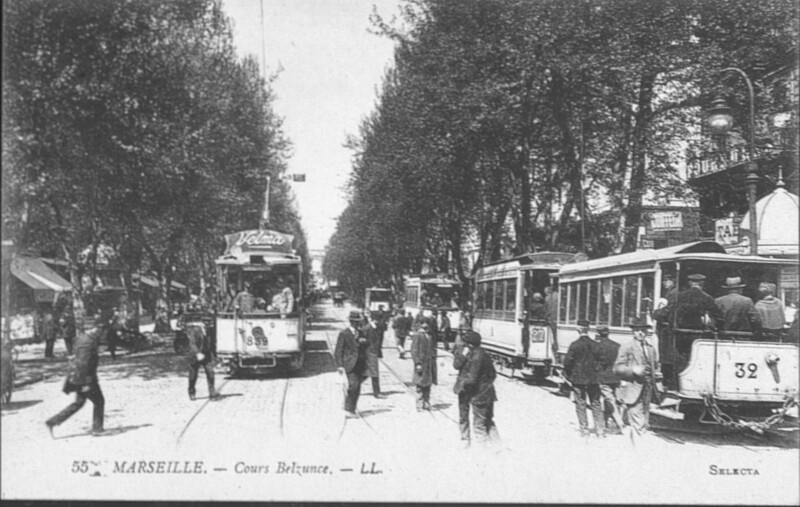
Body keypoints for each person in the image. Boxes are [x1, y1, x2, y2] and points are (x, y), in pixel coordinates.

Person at [46, 318, 106, 437]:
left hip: (83, 377)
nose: (100, 331)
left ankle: (53, 422)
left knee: (80, 403)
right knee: (98, 401)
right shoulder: (87, 342)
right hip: (86, 379)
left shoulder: (83, 338)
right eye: (99, 329)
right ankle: (97, 428)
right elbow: (83, 363)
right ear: (94, 329)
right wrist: (85, 384)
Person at [614, 317, 661, 441]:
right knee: (638, 421)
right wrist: (633, 369)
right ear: (633, 332)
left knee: (644, 420)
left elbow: (654, 366)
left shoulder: (650, 349)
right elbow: (617, 368)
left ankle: (636, 445)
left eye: (643, 330)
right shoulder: (626, 347)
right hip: (632, 389)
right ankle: (638, 448)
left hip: (647, 389)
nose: (640, 333)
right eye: (638, 330)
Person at [453, 330, 499, 446]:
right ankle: (497, 446)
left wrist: (477, 386)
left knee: (479, 424)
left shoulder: (477, 356)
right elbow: (456, 365)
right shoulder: (481, 353)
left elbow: (473, 379)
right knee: (484, 421)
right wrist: (463, 355)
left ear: (469, 344)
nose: (463, 345)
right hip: (478, 392)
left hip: (473, 392)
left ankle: (485, 450)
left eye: (465, 343)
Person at [563, 319, 605, 438]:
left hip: (579, 379)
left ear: (578, 329)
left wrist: (570, 375)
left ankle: (584, 429)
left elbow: (567, 362)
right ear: (588, 329)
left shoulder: (575, 345)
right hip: (593, 379)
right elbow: (602, 361)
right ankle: (600, 431)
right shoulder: (596, 345)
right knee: (596, 403)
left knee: (580, 404)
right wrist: (597, 373)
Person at [671, 274, 722, 359]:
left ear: (690, 283)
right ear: (702, 284)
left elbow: (672, 313)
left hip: (680, 333)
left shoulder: (679, 296)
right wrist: (713, 327)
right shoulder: (706, 297)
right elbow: (718, 316)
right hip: (699, 334)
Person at [335, 311, 369, 417]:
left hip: (360, 364)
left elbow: (367, 345)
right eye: (355, 322)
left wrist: (364, 342)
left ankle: (351, 407)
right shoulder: (344, 334)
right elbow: (338, 351)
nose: (357, 324)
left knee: (356, 387)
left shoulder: (361, 333)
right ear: (351, 322)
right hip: (349, 364)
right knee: (354, 386)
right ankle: (349, 409)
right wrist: (340, 365)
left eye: (358, 322)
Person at [593, 325, 624, 434]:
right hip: (616, 378)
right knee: (612, 400)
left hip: (603, 378)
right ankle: (608, 424)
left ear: (598, 333)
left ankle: (619, 424)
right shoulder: (617, 346)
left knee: (610, 401)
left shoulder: (597, 347)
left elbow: (596, 364)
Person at [184, 322, 217, 401]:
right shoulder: (194, 331)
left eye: (209, 325)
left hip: (206, 355)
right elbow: (192, 344)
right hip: (195, 356)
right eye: (206, 325)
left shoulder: (211, 331)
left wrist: (215, 356)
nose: (208, 326)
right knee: (193, 375)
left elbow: (212, 344)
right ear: (202, 325)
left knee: (211, 372)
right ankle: (191, 392)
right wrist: (198, 353)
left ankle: (212, 392)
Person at [411, 318, 437, 411]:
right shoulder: (418, 335)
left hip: (429, 363)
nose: (425, 325)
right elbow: (414, 350)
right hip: (421, 363)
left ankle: (426, 402)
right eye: (423, 323)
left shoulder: (430, 335)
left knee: (428, 384)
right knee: (420, 385)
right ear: (420, 324)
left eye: (427, 323)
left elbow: (433, 348)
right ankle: (419, 403)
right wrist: (417, 363)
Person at [363, 312, 387, 399]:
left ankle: (354, 385)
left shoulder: (377, 328)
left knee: (367, 373)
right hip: (369, 353)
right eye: (378, 320)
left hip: (374, 353)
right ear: (374, 319)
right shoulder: (367, 328)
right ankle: (377, 393)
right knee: (374, 373)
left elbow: (379, 342)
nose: (379, 322)